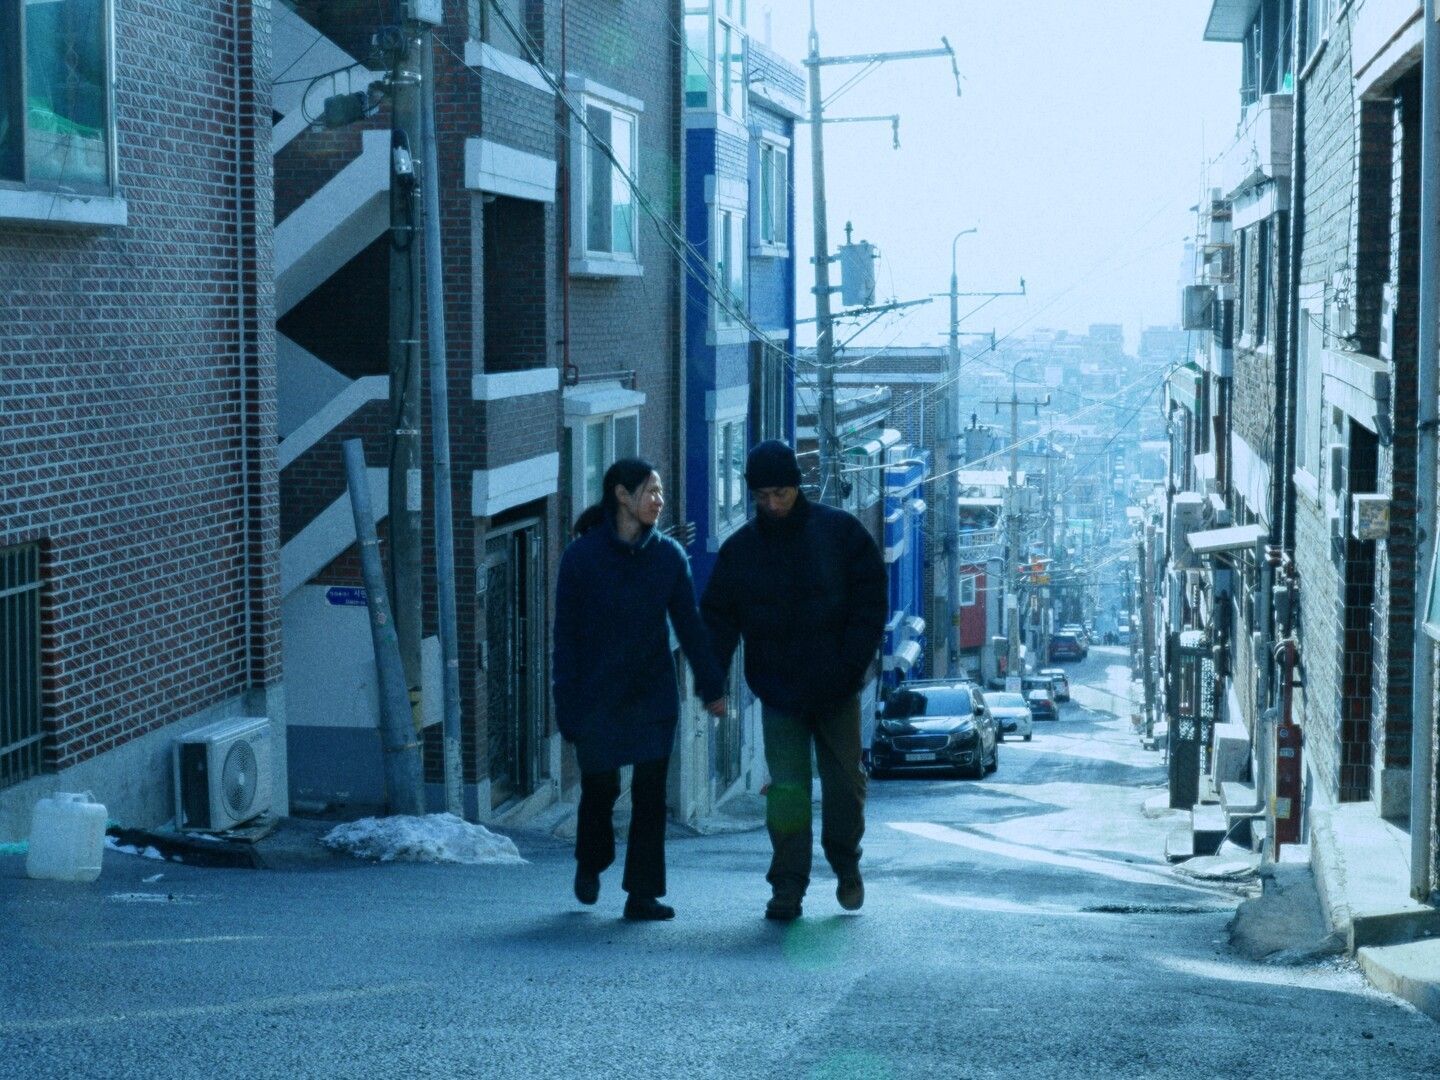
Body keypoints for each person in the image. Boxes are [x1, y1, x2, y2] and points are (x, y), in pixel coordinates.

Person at [701, 440, 888, 921]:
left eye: (780, 494)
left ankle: (845, 863)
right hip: (779, 691)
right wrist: (712, 680)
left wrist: (851, 665)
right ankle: (787, 887)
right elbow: (718, 618)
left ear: (796, 487)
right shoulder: (741, 551)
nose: (771, 504)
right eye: (761, 496)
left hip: (837, 688)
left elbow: (870, 603)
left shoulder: (840, 533)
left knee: (845, 787)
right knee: (787, 791)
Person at [553, 458, 726, 921]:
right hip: (597, 698)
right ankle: (591, 861)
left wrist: (711, 685)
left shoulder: (669, 556)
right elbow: (564, 640)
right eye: (651, 491)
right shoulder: (581, 558)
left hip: (653, 698)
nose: (659, 500)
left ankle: (642, 894)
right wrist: (565, 704)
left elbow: (689, 626)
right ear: (622, 496)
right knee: (600, 788)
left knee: (650, 798)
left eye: (660, 492)